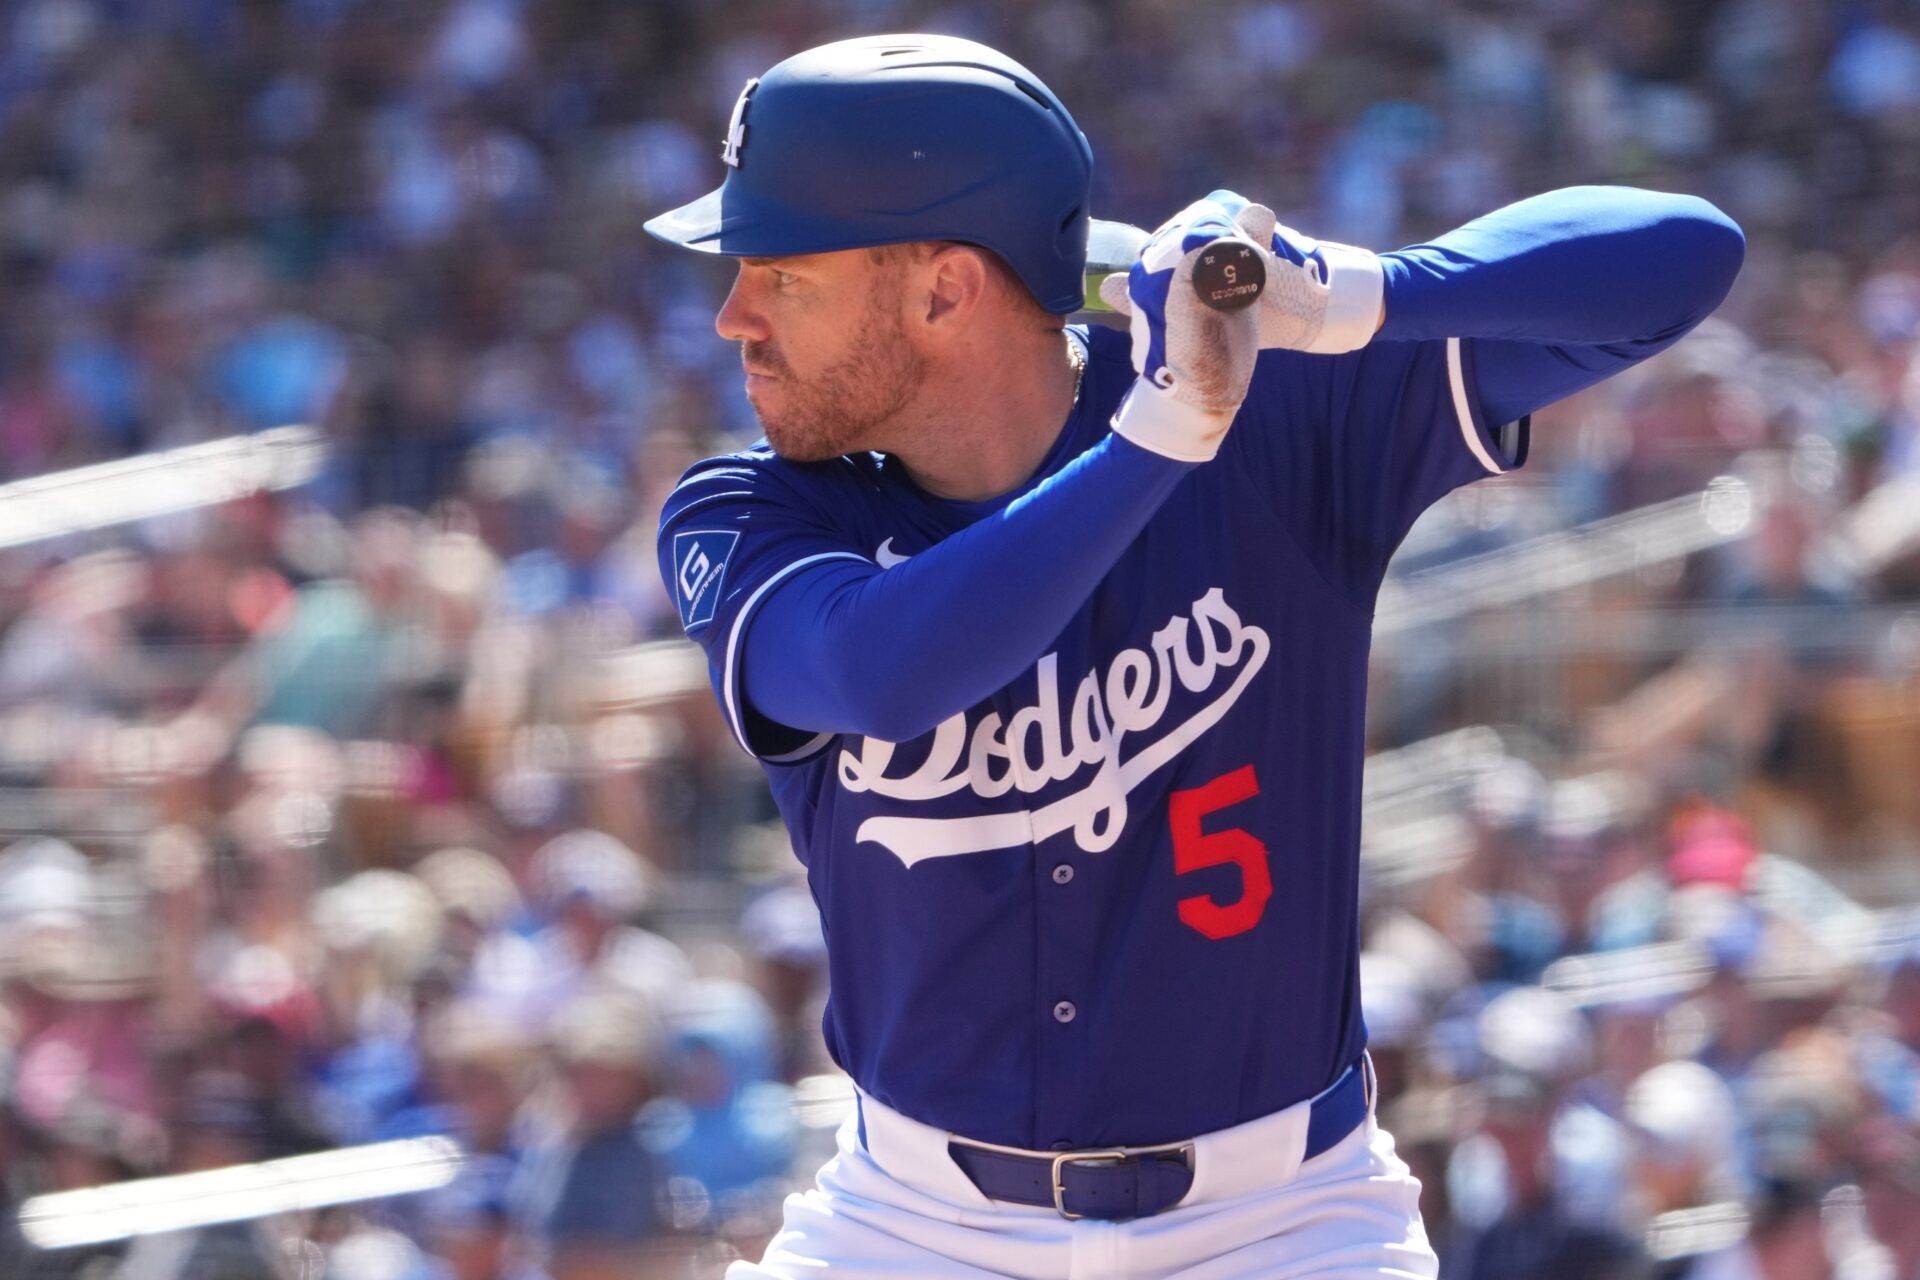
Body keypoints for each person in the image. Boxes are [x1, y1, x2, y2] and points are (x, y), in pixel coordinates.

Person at [648, 32, 1744, 1280]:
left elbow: (1687, 255)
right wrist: (1162, 436)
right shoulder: (751, 509)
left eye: (781, 273)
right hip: (911, 1223)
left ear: (946, 289)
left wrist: (1363, 292)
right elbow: (880, 675)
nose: (732, 314)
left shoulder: (1274, 408)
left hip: (1285, 1220)